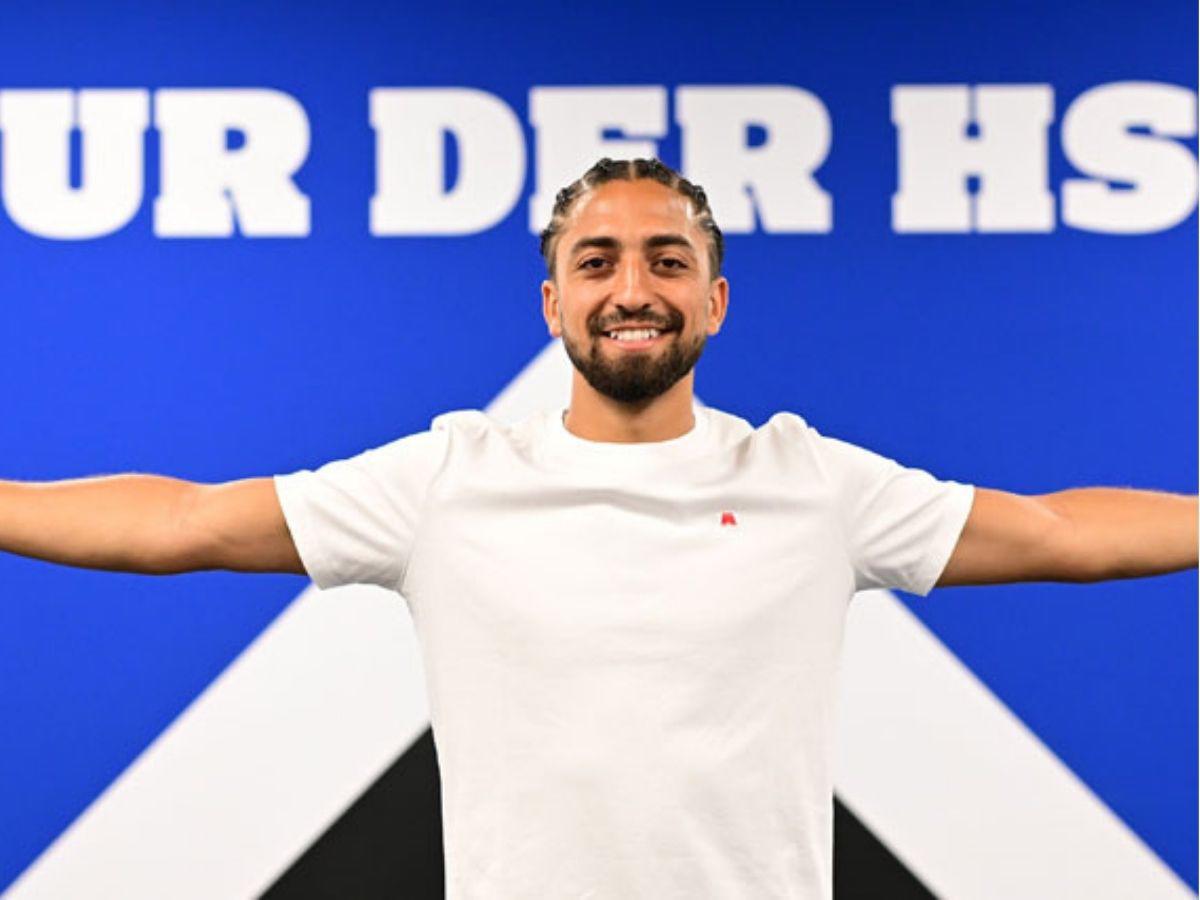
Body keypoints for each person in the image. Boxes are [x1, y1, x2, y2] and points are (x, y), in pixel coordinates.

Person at [2, 157, 1195, 899]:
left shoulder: (812, 482)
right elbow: (185, 523)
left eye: (667, 261)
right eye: (598, 261)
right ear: (554, 302)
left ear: (714, 302)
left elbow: (1060, 535)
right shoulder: (448, 478)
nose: (633, 288)